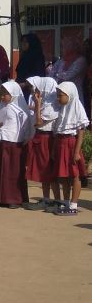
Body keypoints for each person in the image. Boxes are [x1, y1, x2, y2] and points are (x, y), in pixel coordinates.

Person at [0, 81, 34, 208]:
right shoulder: (3, 107)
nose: (2, 97)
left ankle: (14, 198)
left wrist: (23, 140)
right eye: (2, 94)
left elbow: (26, 127)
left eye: (5, 94)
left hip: (16, 145)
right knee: (1, 170)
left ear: (14, 94)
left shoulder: (21, 110)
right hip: (3, 143)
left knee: (14, 172)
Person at [23, 77, 61, 211]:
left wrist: (38, 105)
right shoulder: (45, 102)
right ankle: (46, 199)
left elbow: (39, 122)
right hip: (40, 137)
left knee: (49, 170)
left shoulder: (51, 106)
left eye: (38, 89)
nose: (35, 91)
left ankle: (57, 200)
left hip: (48, 138)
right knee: (43, 171)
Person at [51, 82, 89, 215]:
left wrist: (77, 151)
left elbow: (81, 132)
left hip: (71, 143)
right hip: (61, 143)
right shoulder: (61, 109)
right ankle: (66, 202)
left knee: (74, 174)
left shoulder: (77, 107)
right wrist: (54, 150)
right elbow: (57, 130)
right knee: (64, 175)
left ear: (70, 95)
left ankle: (73, 204)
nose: (58, 98)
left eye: (60, 95)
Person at [49, 37, 88, 116]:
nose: (61, 49)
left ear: (71, 47)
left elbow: (68, 76)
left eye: (63, 47)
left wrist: (56, 75)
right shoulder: (62, 60)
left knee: (74, 116)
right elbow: (50, 75)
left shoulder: (81, 60)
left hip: (75, 92)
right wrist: (56, 75)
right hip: (60, 93)